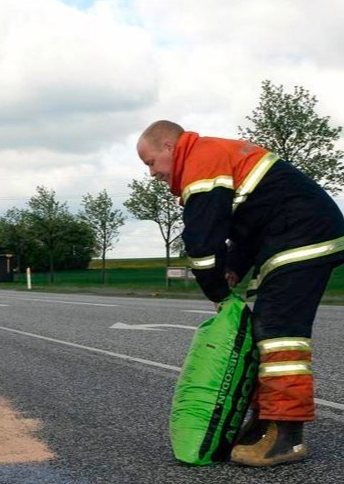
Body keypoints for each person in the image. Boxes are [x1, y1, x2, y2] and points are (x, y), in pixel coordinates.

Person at [137, 120, 344, 467]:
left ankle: (286, 437)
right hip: (288, 235)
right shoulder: (216, 155)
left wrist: (217, 289)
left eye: (151, 162)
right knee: (265, 330)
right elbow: (252, 221)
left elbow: (202, 241)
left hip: (302, 237)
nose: (152, 174)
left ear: (170, 147)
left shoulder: (201, 160)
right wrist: (234, 265)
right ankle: (267, 423)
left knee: (280, 336)